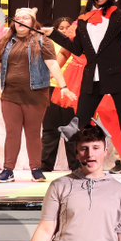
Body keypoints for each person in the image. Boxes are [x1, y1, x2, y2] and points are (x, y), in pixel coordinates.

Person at [46, 0, 121, 191]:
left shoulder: (118, 15)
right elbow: (76, 49)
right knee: (79, 125)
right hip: (91, 78)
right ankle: (82, 171)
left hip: (118, 76)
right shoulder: (82, 20)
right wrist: (53, 34)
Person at [0, 7, 71, 183]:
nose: (21, 21)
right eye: (18, 18)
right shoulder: (6, 42)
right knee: (12, 133)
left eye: (26, 18)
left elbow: (53, 64)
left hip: (36, 94)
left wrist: (63, 86)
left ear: (33, 21)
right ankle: (8, 170)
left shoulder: (42, 41)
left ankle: (36, 170)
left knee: (33, 133)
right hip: (10, 95)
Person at [41, 17, 79, 171]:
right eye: (61, 28)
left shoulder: (75, 45)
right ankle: (45, 165)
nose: (64, 30)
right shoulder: (49, 44)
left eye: (67, 27)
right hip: (51, 88)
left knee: (72, 128)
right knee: (50, 128)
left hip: (71, 89)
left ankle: (75, 165)